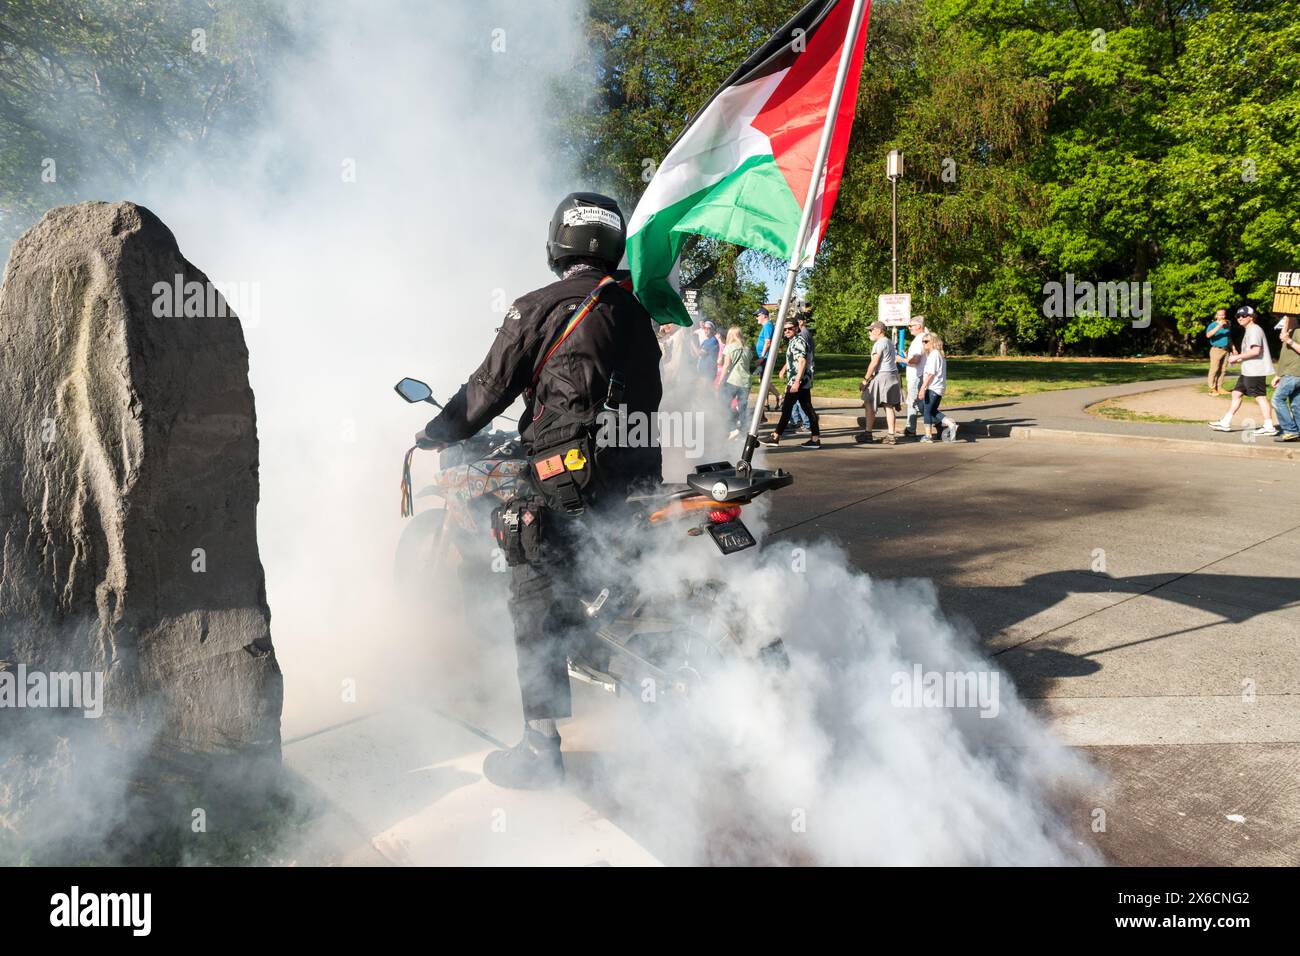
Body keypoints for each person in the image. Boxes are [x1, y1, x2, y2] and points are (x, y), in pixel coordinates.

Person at [414, 192, 662, 789]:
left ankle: (539, 746)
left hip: (564, 476)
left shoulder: (538, 306)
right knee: (601, 569)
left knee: (531, 593)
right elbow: (647, 398)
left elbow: (486, 390)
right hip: (634, 476)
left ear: (561, 242)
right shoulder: (633, 309)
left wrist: (433, 431)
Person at [1209, 305, 1276, 436]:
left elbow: (1256, 351)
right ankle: (1225, 422)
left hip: (1255, 370)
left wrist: (1237, 357)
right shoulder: (1250, 329)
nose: (1240, 318)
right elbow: (1251, 352)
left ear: (1251, 317)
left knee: (1260, 397)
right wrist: (1240, 359)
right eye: (1238, 316)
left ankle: (1269, 426)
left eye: (1244, 315)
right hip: (1248, 370)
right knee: (1236, 393)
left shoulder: (1254, 330)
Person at [760, 319, 821, 448]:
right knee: (808, 409)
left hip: (797, 381)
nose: (787, 331)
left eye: (790, 328)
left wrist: (797, 382)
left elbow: (802, 362)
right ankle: (815, 439)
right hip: (802, 381)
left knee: (787, 409)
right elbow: (795, 359)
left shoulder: (798, 341)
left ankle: (775, 436)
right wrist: (784, 369)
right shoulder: (794, 341)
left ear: (796, 328)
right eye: (785, 329)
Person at [856, 320, 901, 445]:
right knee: (889, 406)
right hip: (893, 375)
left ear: (878, 330)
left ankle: (868, 433)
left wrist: (865, 380)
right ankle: (891, 435)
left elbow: (874, 362)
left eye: (871, 330)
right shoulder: (889, 342)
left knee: (868, 402)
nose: (869, 333)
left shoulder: (879, 343)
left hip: (882, 376)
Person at [917, 333, 956, 443]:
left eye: (926, 341)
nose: (924, 343)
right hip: (939, 388)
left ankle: (928, 436)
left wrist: (922, 388)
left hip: (933, 387)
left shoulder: (934, 355)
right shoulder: (938, 355)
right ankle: (950, 424)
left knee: (927, 411)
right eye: (923, 341)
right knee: (933, 410)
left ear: (933, 342)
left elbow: (931, 374)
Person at [1271, 314, 1300, 443]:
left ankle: (1290, 431)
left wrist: (1289, 341)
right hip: (1290, 373)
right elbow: (1285, 357)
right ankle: (1297, 431)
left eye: (1287, 317)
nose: (1284, 320)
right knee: (1296, 405)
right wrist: (1278, 374)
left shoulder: (1298, 331)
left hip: (1294, 373)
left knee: (1277, 399)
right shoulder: (1289, 332)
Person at [721, 325, 750, 439]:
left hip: (733, 380)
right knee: (743, 408)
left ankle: (732, 428)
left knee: (725, 404)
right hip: (746, 382)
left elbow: (726, 365)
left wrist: (720, 381)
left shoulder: (729, 347)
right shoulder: (747, 348)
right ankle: (743, 434)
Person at [902, 315, 928, 435]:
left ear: (919, 326)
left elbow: (916, 360)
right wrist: (908, 357)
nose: (909, 328)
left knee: (915, 403)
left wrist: (902, 360)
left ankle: (910, 429)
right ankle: (910, 428)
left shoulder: (920, 339)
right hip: (917, 375)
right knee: (917, 403)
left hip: (917, 376)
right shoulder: (922, 338)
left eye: (911, 326)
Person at [1205, 308, 1232, 395]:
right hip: (1216, 349)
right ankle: (1212, 388)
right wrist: (1219, 326)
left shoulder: (1228, 324)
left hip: (1226, 349)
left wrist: (1233, 348)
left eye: (1223, 315)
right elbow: (1208, 335)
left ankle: (1220, 388)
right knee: (1214, 369)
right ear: (1216, 316)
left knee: (1223, 370)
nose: (1222, 316)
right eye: (1220, 315)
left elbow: (1228, 337)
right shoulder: (1212, 325)